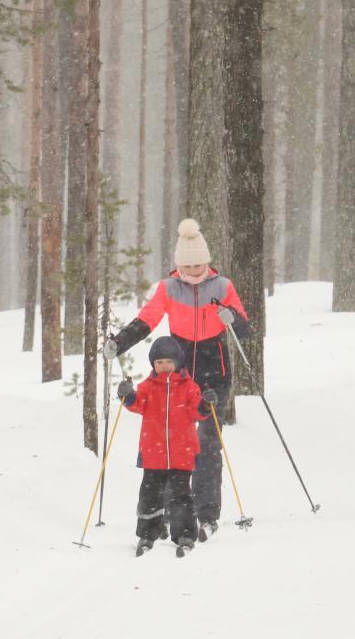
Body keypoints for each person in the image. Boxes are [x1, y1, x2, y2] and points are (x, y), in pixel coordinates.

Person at [104, 218, 249, 541]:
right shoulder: (168, 288)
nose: (194, 271)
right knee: (174, 445)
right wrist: (120, 341)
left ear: (207, 261)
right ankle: (176, 511)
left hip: (214, 369)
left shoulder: (222, 286)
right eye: (187, 265)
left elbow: (244, 329)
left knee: (209, 443)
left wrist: (232, 317)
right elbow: (147, 320)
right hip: (178, 371)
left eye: (199, 264)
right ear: (178, 264)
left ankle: (207, 513)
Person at [117, 336, 217, 558]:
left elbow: (197, 412)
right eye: (159, 362)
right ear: (153, 364)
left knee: (181, 496)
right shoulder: (148, 386)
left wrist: (207, 403)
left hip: (182, 454)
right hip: (153, 453)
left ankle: (184, 534)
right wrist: (126, 395)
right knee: (149, 495)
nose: (164, 366)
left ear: (178, 362)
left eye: (168, 362)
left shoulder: (189, 387)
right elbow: (137, 404)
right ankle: (148, 533)